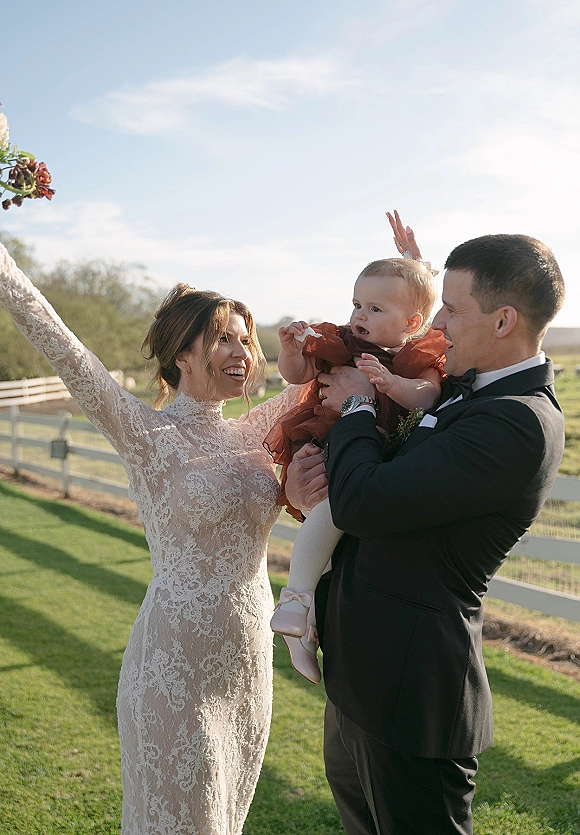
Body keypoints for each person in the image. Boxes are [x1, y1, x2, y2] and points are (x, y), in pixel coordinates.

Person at [0, 243, 307, 835]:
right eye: (222, 339)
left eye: (245, 339)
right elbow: (61, 345)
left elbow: (339, 366)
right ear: (180, 356)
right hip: (175, 661)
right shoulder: (146, 434)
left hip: (246, 659)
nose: (241, 352)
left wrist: (414, 282)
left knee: (226, 817)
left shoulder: (256, 430)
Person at [285, 232, 565, 834]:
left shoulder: (517, 422)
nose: (437, 321)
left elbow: (366, 501)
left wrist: (359, 406)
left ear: (504, 321)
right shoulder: (470, 387)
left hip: (410, 691)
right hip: (360, 674)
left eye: (453, 309)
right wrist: (309, 483)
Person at [267, 252, 446, 683]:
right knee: (329, 511)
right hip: (334, 446)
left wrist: (390, 384)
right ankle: (297, 602)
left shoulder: (419, 356)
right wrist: (290, 352)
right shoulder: (343, 344)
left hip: (376, 457)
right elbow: (297, 374)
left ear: (410, 322)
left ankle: (303, 625)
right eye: (357, 304)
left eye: (375, 308)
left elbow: (427, 395)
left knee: (333, 533)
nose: (360, 315)